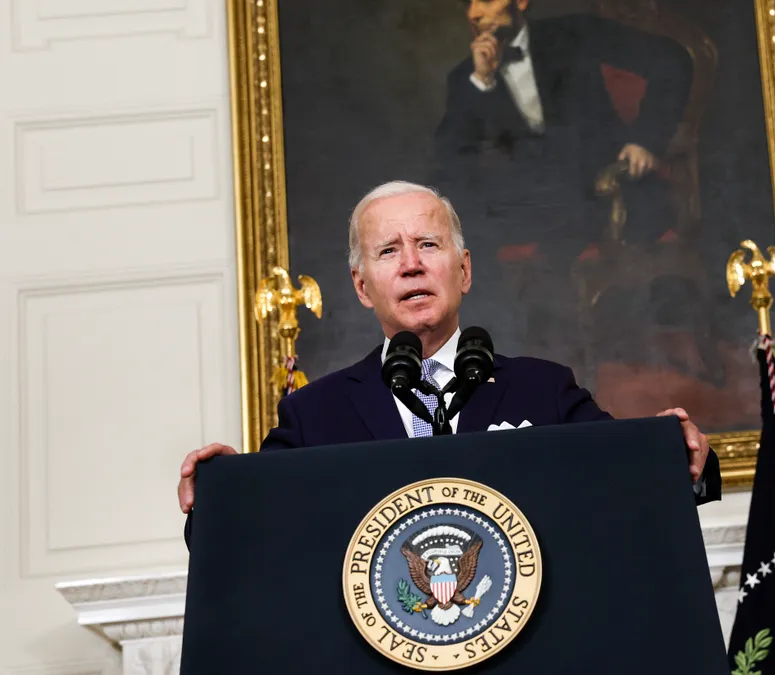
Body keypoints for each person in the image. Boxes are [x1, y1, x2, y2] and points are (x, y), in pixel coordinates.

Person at [177, 180, 720, 520]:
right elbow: (248, 524)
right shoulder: (313, 414)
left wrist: (681, 458)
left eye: (428, 245)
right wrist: (222, 490)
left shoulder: (543, 389)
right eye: (389, 251)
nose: (411, 263)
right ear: (363, 288)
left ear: (463, 271)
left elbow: (626, 477)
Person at [431, 0, 692, 364]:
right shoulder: (467, 78)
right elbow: (448, 164)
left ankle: (568, 367)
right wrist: (483, 83)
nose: (473, 13)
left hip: (605, 191)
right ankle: (502, 359)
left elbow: (672, 59)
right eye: (469, 4)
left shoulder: (576, 34)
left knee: (552, 259)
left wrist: (646, 139)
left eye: (486, 0)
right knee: (462, 235)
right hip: (531, 205)